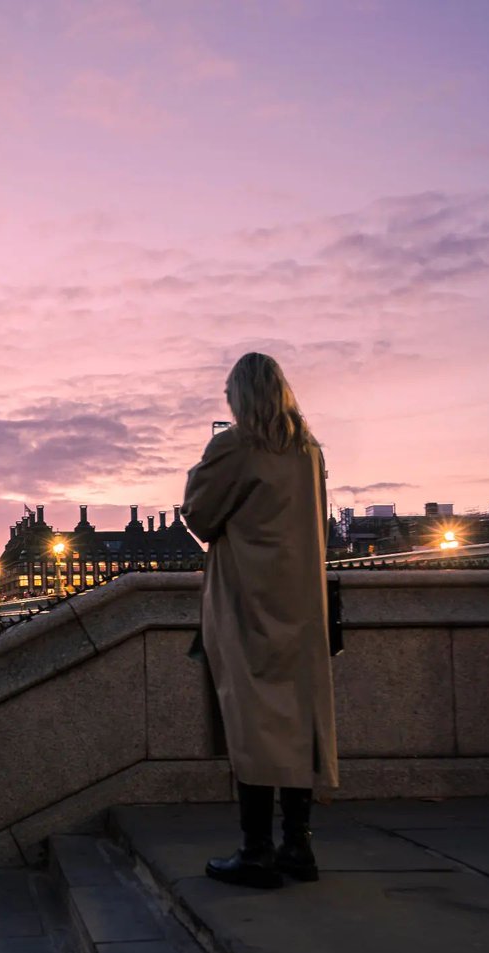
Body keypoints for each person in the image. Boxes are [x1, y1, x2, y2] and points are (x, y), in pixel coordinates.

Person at [182, 352, 338, 888]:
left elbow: (199, 515)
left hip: (249, 598)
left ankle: (255, 852)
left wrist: (196, 471)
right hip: (302, 602)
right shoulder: (308, 451)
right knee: (298, 721)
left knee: (251, 722)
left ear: (240, 398)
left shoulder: (235, 445)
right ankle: (298, 846)